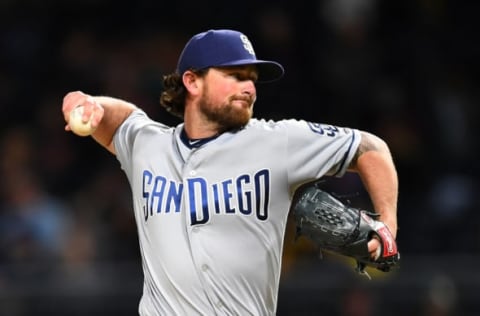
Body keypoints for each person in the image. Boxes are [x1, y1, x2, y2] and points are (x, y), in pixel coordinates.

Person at [61, 29, 398, 316]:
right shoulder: (149, 148)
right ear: (192, 81)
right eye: (235, 76)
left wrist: (388, 225)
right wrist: (86, 102)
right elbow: (121, 119)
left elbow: (371, 149)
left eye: (252, 79)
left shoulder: (276, 142)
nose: (249, 87)